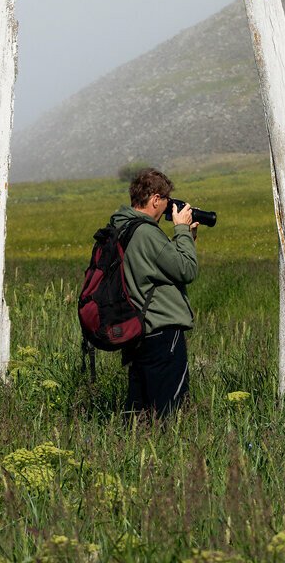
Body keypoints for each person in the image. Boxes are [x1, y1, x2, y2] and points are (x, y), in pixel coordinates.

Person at [109, 167, 199, 418]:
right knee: (169, 411)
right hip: (161, 329)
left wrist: (186, 242)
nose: (168, 209)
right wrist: (182, 231)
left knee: (139, 409)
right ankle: (166, 454)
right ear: (155, 199)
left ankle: (132, 451)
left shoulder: (122, 227)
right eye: (167, 201)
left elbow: (157, 264)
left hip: (136, 329)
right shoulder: (147, 232)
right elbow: (186, 270)